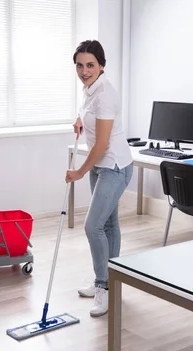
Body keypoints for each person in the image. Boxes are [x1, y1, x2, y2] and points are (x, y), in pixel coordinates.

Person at [65, 40, 133, 317]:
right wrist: (80, 119)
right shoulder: (90, 89)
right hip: (101, 166)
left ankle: (103, 285)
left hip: (115, 166)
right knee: (108, 224)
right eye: (79, 65)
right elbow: (88, 111)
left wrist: (79, 172)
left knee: (93, 226)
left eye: (90, 65)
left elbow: (103, 143)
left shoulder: (105, 94)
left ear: (101, 65)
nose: (84, 70)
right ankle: (111, 281)